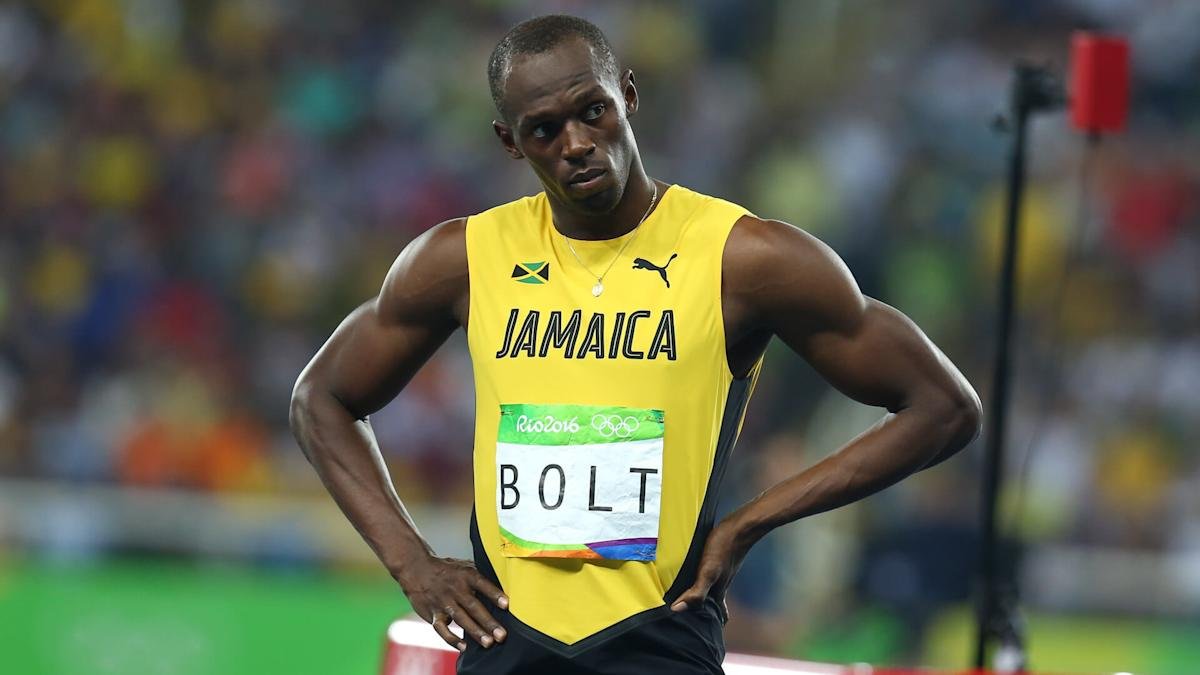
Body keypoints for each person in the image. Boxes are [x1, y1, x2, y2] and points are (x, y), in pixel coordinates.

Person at [289, 14, 982, 675]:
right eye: (544, 129)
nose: (576, 143)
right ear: (510, 141)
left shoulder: (743, 257)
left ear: (628, 94)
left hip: (657, 639)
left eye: (593, 110)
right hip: (505, 640)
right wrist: (412, 563)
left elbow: (943, 406)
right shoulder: (463, 258)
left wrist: (749, 522)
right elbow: (321, 397)